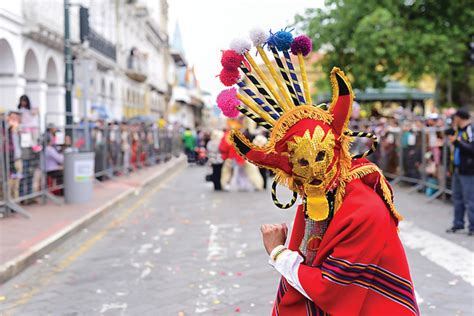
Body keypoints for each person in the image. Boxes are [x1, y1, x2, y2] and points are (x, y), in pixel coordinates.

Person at [216, 28, 418, 315]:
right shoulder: (321, 197)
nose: (312, 175)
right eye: (300, 166)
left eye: (321, 158)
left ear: (337, 151)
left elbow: (330, 287)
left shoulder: (362, 210)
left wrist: (277, 252)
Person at [446, 109, 474, 235]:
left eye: (455, 117)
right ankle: (458, 224)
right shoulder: (458, 130)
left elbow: (472, 148)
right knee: (457, 198)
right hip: (457, 168)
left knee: (470, 199)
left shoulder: (470, 130)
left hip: (468, 170)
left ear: (459, 117)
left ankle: (472, 226)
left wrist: (457, 142)